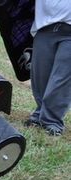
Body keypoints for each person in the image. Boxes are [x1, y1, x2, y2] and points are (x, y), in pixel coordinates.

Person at [24, 0, 71, 136]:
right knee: (40, 76)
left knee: (62, 77)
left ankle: (52, 121)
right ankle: (40, 114)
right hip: (44, 27)